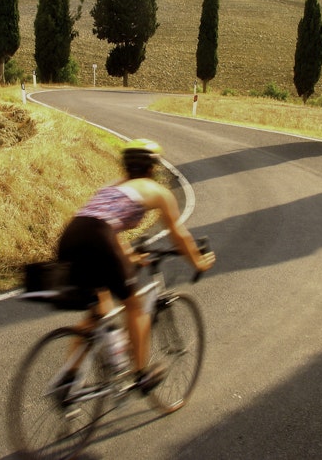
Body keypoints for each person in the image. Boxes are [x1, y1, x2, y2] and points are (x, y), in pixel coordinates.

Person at [57, 138, 215, 393]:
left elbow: (105, 224)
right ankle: (141, 374)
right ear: (152, 168)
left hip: (71, 237)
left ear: (126, 166)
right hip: (98, 238)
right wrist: (198, 261)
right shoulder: (158, 191)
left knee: (99, 312)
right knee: (135, 306)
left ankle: (68, 380)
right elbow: (178, 234)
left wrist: (130, 255)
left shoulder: (112, 186)